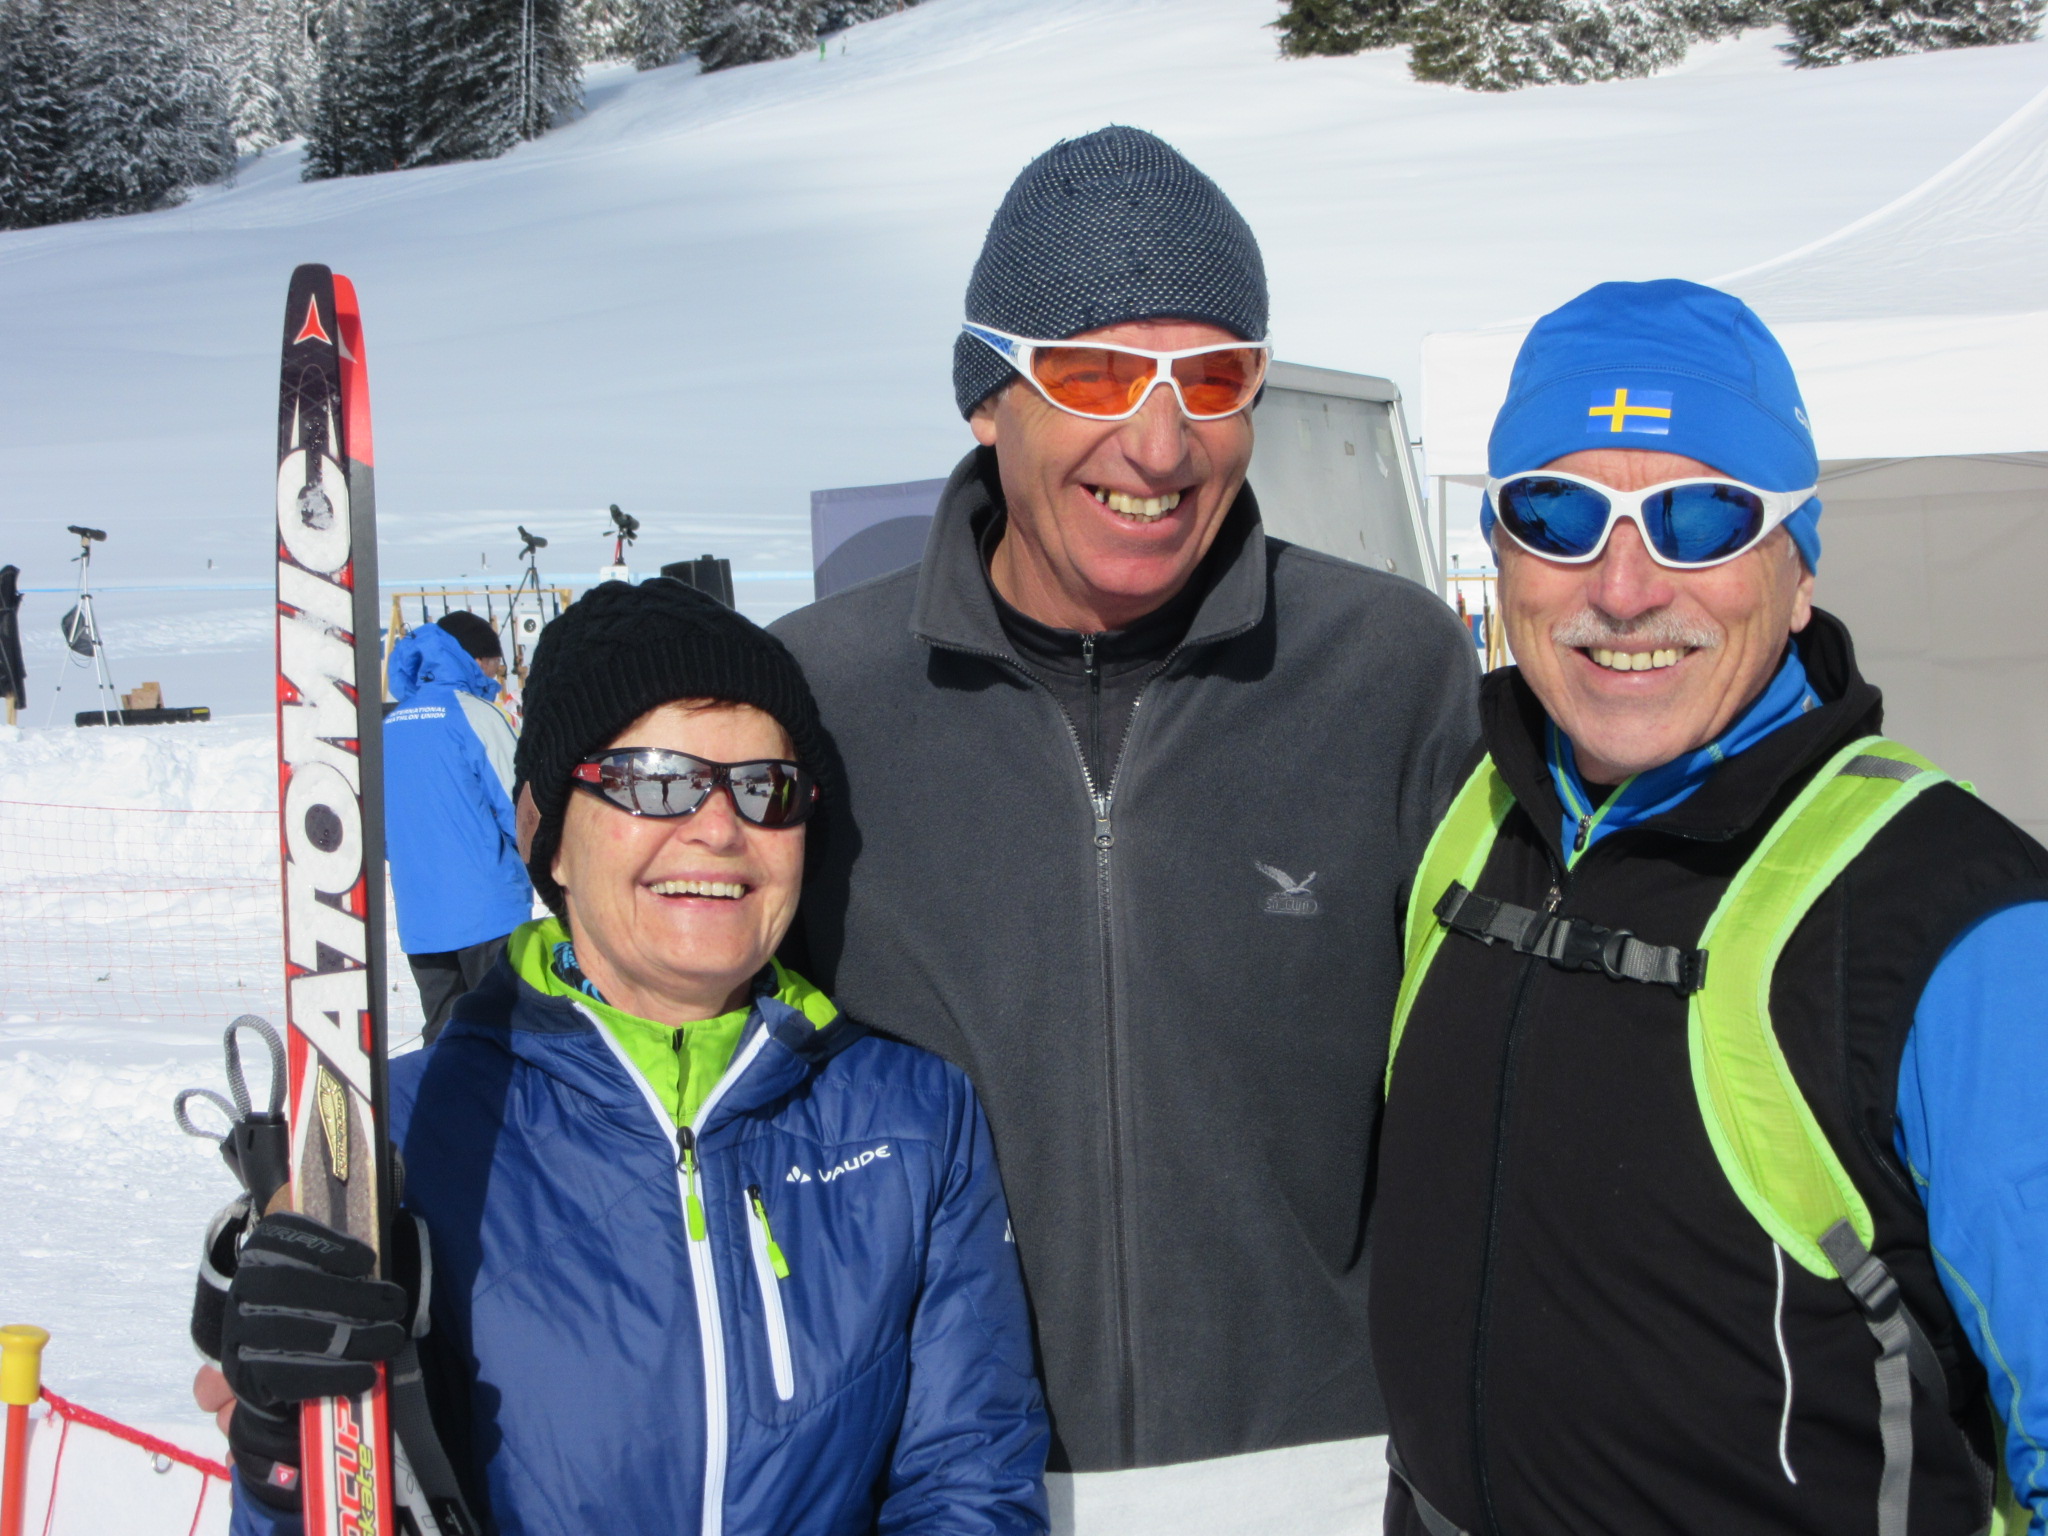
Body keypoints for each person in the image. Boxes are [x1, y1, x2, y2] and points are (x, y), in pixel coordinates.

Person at [770, 126, 1479, 1531]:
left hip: (1329, 1473)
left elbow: (1522, 1074)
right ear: (988, 398)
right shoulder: (819, 695)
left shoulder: (1387, 669)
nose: (1158, 443)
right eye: (1094, 374)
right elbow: (665, 1045)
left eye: (1211, 379)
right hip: (939, 1480)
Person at [1370, 280, 2048, 1535]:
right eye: (1558, 513)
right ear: (1499, 553)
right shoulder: (1476, 821)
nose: (1624, 587)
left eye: (1699, 519)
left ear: (1797, 571)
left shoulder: (1961, 924)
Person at [197, 579, 1050, 1535]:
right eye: (654, 780)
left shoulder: (913, 1118)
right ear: (551, 837)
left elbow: (969, 1485)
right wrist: (286, 1458)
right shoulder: (401, 1140)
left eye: (765, 788)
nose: (720, 827)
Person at [384, 611, 530, 1041]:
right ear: (476, 659)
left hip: (420, 916)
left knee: (444, 1038)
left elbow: (379, 829)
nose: (498, 675)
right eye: (496, 664)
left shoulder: (389, 726)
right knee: (501, 1032)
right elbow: (519, 810)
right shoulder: (476, 715)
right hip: (488, 911)